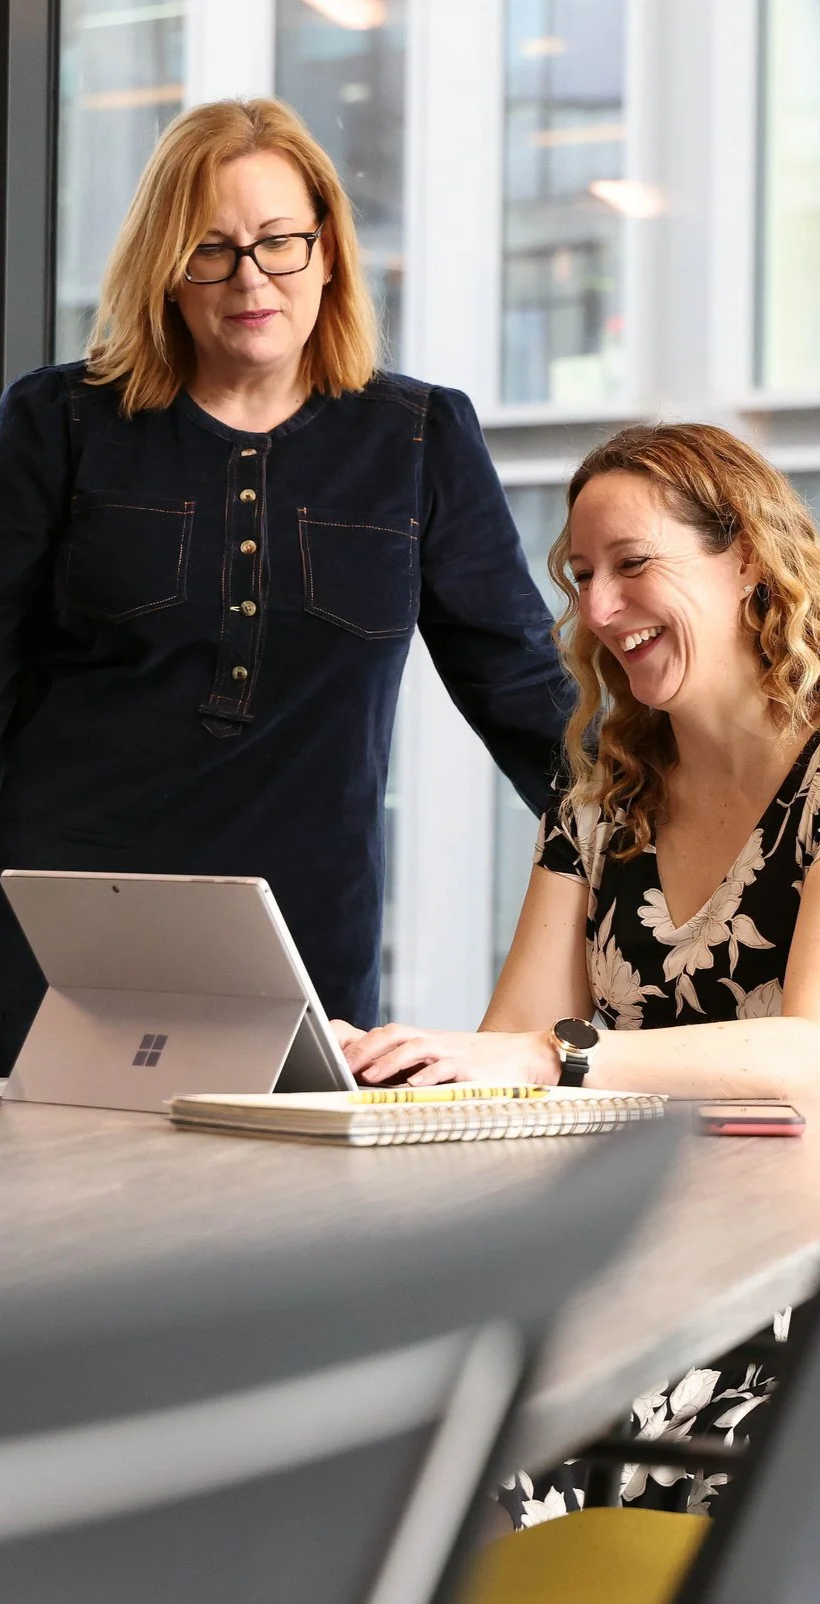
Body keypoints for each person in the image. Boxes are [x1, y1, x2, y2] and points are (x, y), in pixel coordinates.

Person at [0, 96, 569, 1079]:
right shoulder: (59, 420)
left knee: (267, 1226)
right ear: (166, 265)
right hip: (49, 938)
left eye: (279, 241)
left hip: (300, 947)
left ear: (327, 252)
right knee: (19, 1227)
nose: (251, 276)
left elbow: (525, 689)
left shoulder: (418, 438)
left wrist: (693, 828)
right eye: (211, 247)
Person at [336, 420, 820, 1519]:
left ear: (744, 554)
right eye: (582, 576)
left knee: (462, 1471)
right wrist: (416, 1074)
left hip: (777, 1284)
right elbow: (513, 1051)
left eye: (632, 565)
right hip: (630, 1255)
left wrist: (546, 1055)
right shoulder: (603, 789)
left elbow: (807, 1056)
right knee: (365, 1429)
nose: (598, 611)